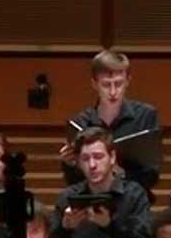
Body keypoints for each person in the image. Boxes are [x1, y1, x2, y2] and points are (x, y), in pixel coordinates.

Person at [60, 50, 160, 194]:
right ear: (94, 84)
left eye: (118, 84)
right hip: (92, 201)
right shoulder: (80, 122)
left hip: (134, 203)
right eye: (106, 85)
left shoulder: (146, 116)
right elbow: (74, 183)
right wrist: (69, 164)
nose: (113, 92)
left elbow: (153, 173)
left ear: (128, 81)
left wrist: (120, 175)